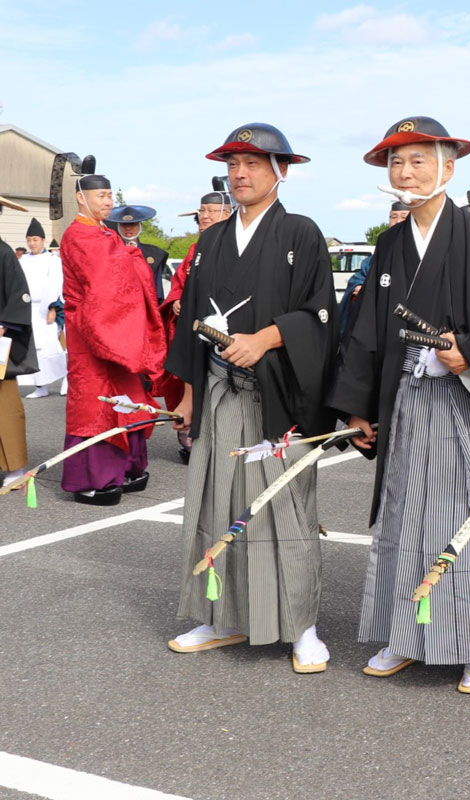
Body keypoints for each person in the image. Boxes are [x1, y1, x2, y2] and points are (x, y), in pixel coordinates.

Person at [328, 116, 470, 694]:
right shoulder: (390, 242)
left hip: (465, 402)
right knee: (405, 516)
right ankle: (406, 636)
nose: (405, 171)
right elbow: (364, 329)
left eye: (418, 159)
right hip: (407, 401)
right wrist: (359, 406)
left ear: (448, 166)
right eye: (397, 161)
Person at [165, 123, 337, 673]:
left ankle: (302, 626)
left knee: (281, 507)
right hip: (218, 391)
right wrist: (189, 394)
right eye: (234, 165)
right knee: (217, 502)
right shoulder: (212, 240)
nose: (240, 174)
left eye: (254, 164)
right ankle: (222, 617)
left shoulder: (301, 234)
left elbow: (321, 314)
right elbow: (191, 321)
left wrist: (264, 338)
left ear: (280, 171)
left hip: (279, 395)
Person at [58, 169, 165, 506]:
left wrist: (128, 258)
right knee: (95, 403)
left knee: (128, 398)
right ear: (81, 197)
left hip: (116, 330)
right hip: (92, 333)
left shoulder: (105, 235)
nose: (107, 202)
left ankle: (130, 469)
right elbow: (105, 285)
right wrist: (129, 259)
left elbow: (129, 272)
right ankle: (96, 478)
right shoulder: (77, 236)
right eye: (101, 196)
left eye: (109, 196)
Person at [158, 189, 233, 462]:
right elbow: (178, 283)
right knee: (185, 379)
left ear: (227, 214)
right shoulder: (194, 248)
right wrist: (176, 299)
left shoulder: (233, 244)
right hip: (190, 327)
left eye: (211, 211)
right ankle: (189, 439)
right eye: (202, 211)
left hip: (221, 328)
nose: (205, 216)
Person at [336, 201, 408, 344]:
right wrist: (357, 287)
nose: (397, 221)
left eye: (403, 217)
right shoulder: (380, 251)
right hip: (373, 322)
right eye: (393, 217)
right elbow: (358, 278)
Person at [1, 229, 37, 486]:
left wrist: (3, 327)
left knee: (4, 403)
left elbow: (17, 294)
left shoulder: (3, 252)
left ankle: (14, 469)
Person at [17, 218, 68, 398]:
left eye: (35, 239)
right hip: (28, 308)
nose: (32, 243)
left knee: (52, 346)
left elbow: (55, 284)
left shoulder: (52, 260)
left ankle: (66, 376)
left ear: (43, 240)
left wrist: (52, 308)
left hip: (45, 308)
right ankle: (40, 386)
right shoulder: (23, 261)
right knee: (35, 348)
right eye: (29, 239)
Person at [107, 205, 170, 302]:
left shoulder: (154, 254)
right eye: (124, 225)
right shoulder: (110, 252)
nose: (128, 228)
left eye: (133, 224)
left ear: (140, 225)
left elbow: (157, 292)